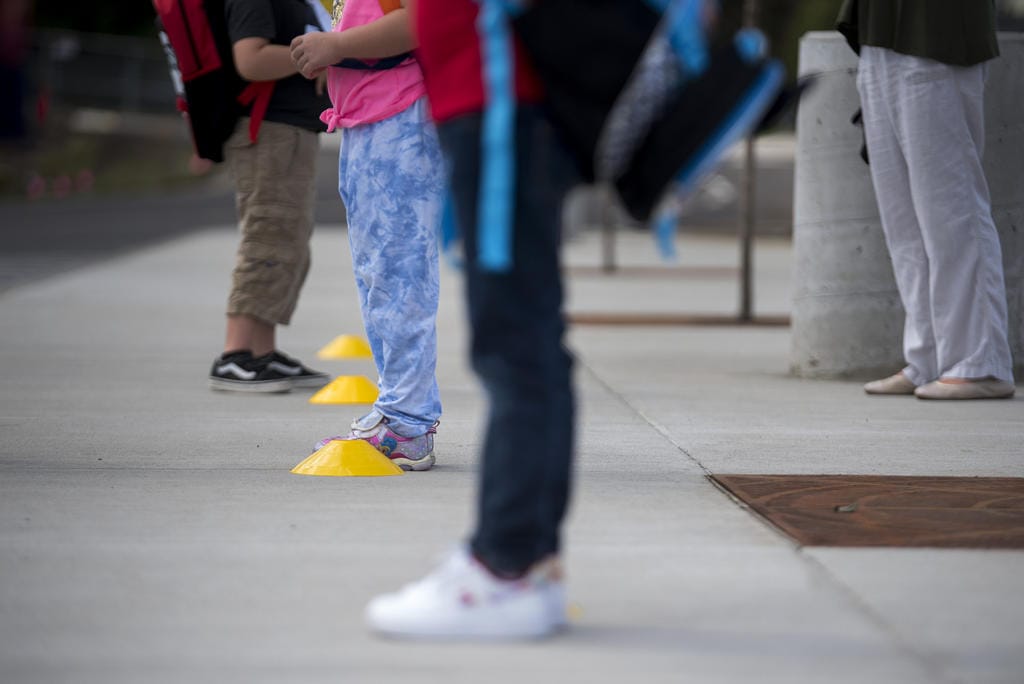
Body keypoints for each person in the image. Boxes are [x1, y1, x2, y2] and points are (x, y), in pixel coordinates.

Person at [289, 0, 444, 471]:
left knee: (398, 273)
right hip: (373, 118)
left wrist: (335, 45)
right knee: (379, 272)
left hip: (399, 118)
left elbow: (419, 20)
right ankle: (399, 408)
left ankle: (408, 423)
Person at [837, 0, 1016, 400]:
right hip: (879, 32)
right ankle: (929, 356)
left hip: (937, 31)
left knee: (952, 210)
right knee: (903, 220)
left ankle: (980, 361)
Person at [208, 0, 333, 394]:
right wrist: (318, 57)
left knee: (287, 239)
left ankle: (261, 351)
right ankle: (235, 354)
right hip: (270, 130)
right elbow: (250, 59)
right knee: (268, 233)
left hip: (286, 130)